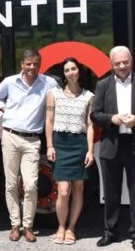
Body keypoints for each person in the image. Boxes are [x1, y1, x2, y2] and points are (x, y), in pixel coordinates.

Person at [91, 46, 135, 251]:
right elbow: (95, 114)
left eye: (125, 62)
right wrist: (111, 119)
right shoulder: (102, 85)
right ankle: (110, 232)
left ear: (131, 61)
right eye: (117, 63)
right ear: (111, 65)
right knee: (111, 193)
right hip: (111, 146)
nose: (122, 66)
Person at [0, 49, 58, 242]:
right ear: (22, 64)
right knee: (11, 183)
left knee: (30, 185)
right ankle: (15, 225)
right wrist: (5, 110)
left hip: (32, 140)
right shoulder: (10, 82)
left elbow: (59, 98)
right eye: (28, 64)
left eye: (36, 64)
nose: (32, 67)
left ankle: (28, 226)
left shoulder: (48, 83)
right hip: (10, 136)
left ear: (40, 64)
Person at [45, 57, 94, 246]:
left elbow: (90, 125)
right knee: (64, 191)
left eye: (74, 69)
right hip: (60, 145)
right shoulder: (54, 94)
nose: (71, 72)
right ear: (63, 74)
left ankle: (72, 228)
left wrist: (90, 150)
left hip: (79, 145)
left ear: (79, 71)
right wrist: (49, 145)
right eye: (67, 70)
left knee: (78, 189)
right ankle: (60, 226)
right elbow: (48, 121)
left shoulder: (89, 96)